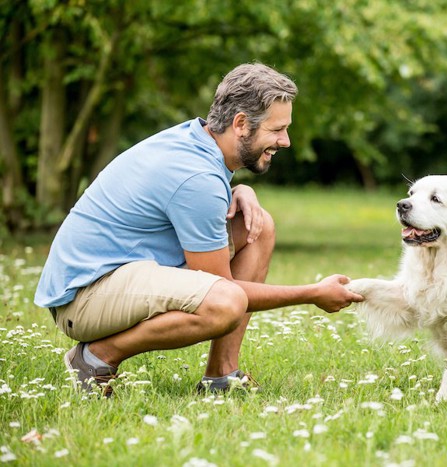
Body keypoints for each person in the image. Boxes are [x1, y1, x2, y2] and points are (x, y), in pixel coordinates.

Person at [34, 63, 364, 397]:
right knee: (225, 302)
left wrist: (240, 192)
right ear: (240, 124)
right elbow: (222, 287)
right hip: (83, 298)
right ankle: (94, 359)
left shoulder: (197, 140)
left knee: (258, 226)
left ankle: (221, 375)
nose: (286, 141)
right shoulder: (197, 177)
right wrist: (311, 293)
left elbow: (185, 200)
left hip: (115, 274)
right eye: (277, 129)